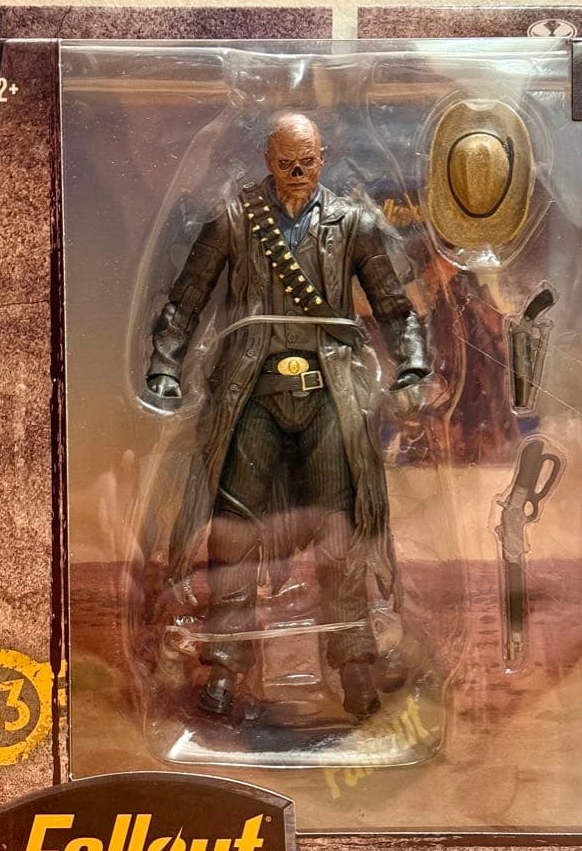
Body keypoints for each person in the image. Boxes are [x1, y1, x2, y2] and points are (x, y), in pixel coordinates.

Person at [147, 112, 431, 718]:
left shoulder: (353, 224)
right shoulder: (234, 219)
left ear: (323, 158)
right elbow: (186, 298)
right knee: (234, 530)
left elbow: (393, 305)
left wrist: (411, 363)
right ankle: (226, 664)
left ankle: (353, 662)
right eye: (285, 163)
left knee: (342, 531)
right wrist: (165, 366)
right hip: (252, 391)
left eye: (307, 162)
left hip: (330, 394)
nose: (297, 174)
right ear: (267, 161)